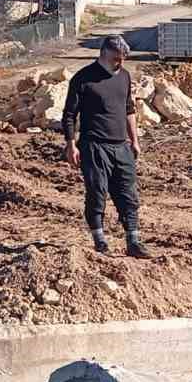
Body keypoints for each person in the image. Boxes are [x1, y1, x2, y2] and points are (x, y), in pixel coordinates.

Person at [62, 36, 148, 258]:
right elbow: (69, 115)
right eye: (116, 59)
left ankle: (133, 242)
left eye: (122, 59)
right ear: (104, 54)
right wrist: (71, 145)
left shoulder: (125, 76)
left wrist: (134, 141)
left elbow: (129, 110)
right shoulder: (83, 79)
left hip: (121, 146)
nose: (120, 63)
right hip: (94, 146)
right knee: (97, 192)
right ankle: (100, 241)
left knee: (128, 195)